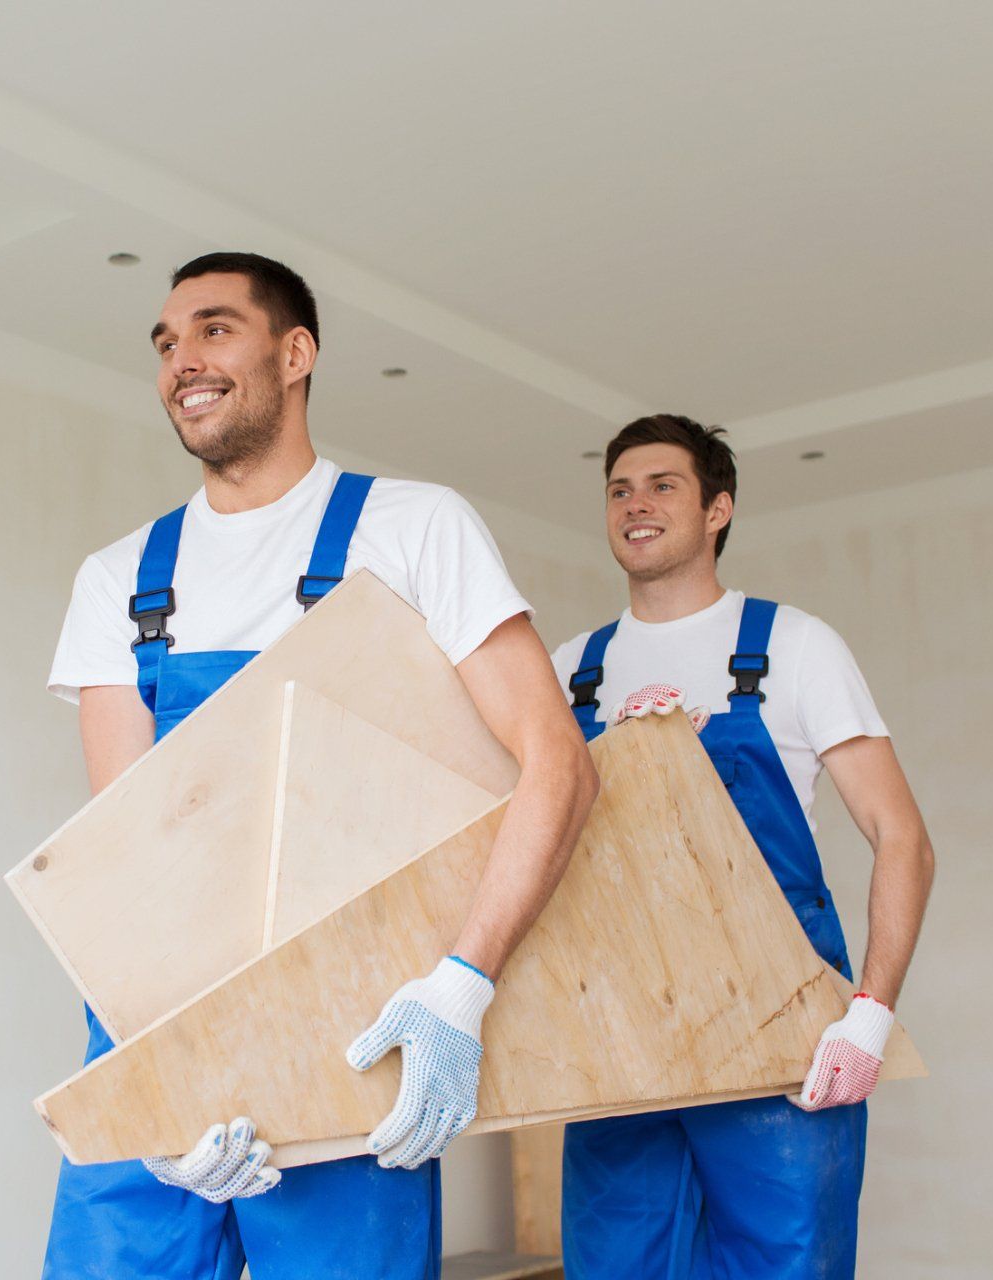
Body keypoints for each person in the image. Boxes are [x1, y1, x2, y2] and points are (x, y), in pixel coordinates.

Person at [42, 252, 598, 1279]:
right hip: (158, 1037)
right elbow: (122, 863)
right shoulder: (119, 580)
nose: (180, 359)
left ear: (295, 353)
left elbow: (559, 767)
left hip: (354, 1032)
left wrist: (461, 988)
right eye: (165, 342)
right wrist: (163, 1087)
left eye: (212, 328)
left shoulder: (411, 529)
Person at [550, 414, 936, 1280]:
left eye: (663, 486)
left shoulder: (792, 647)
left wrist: (870, 1013)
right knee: (614, 1266)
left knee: (784, 1265)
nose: (634, 505)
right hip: (621, 1042)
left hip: (777, 1034)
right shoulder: (574, 670)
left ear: (718, 508)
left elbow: (902, 838)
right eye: (618, 489)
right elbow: (525, 842)